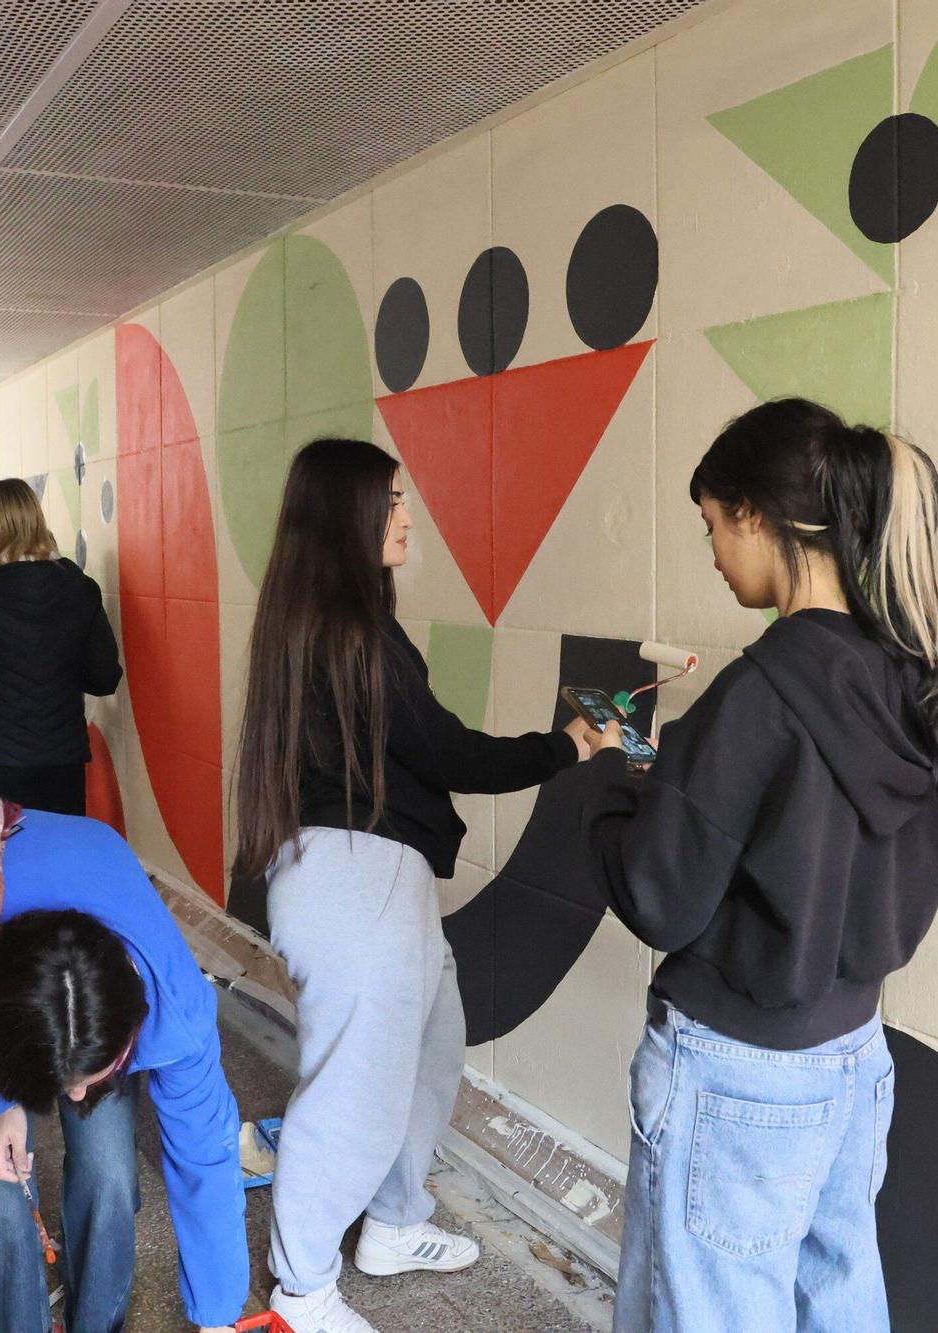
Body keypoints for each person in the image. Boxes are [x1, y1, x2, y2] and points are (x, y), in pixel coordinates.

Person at [569, 399, 938, 1332]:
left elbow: (658, 895)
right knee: (837, 1302)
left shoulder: (758, 693)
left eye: (713, 523)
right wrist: (682, 771)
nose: (713, 550)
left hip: (735, 1079)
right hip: (853, 1061)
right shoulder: (915, 681)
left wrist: (605, 781)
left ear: (758, 515)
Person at [232, 439, 603, 1333]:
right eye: (392, 500)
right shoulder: (347, 628)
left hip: (367, 878)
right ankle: (302, 1289)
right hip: (354, 882)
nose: (407, 514)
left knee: (434, 1038)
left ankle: (394, 1222)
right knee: (351, 1088)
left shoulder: (328, 619)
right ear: (347, 515)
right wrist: (569, 746)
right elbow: (447, 750)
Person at [0, 799, 245, 1333]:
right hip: (0, 974)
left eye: (89, 1078)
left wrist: (219, 1318)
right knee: (0, 1184)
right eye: (62, 1085)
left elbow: (206, 1163)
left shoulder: (177, 1014)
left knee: (110, 1172)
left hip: (89, 915)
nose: (73, 1101)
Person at [0, 478, 122, 817]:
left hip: (0, 757)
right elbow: (104, 677)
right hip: (64, 755)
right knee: (60, 853)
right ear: (36, 519)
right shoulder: (79, 587)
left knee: (9, 855)